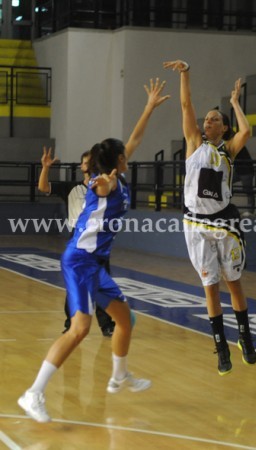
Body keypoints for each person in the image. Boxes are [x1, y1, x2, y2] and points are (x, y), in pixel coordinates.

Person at [18, 77, 170, 422]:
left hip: (96, 263)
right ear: (116, 159)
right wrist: (101, 182)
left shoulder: (118, 172)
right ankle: (33, 393)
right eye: (124, 154)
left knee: (124, 320)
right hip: (80, 261)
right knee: (79, 328)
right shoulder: (101, 182)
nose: (129, 153)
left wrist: (148, 107)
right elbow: (100, 183)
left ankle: (119, 377)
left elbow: (135, 139)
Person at [163, 60, 256, 375]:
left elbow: (247, 130)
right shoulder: (193, 144)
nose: (207, 122)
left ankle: (245, 336)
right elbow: (185, 104)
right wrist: (186, 73)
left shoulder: (228, 150)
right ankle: (221, 347)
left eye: (214, 119)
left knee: (234, 283)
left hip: (224, 222)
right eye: (206, 119)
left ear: (223, 127)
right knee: (211, 287)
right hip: (196, 224)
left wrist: (234, 102)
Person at [38, 148, 116, 337]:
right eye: (82, 162)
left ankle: (106, 324)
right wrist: (45, 168)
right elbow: (43, 188)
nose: (82, 164)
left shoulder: (103, 187)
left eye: (85, 161)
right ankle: (71, 323)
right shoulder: (71, 188)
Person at [232, 144, 255, 216]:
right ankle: (225, 202)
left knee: (248, 190)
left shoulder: (238, 145)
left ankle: (251, 211)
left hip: (246, 171)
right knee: (225, 182)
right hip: (239, 171)